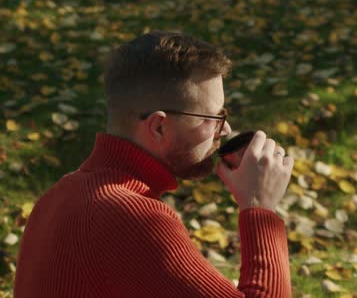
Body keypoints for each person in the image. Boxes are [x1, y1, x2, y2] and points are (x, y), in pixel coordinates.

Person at [14, 31, 294, 297]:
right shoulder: (132, 218)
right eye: (213, 118)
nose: (226, 130)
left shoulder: (58, 197)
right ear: (159, 126)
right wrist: (260, 207)